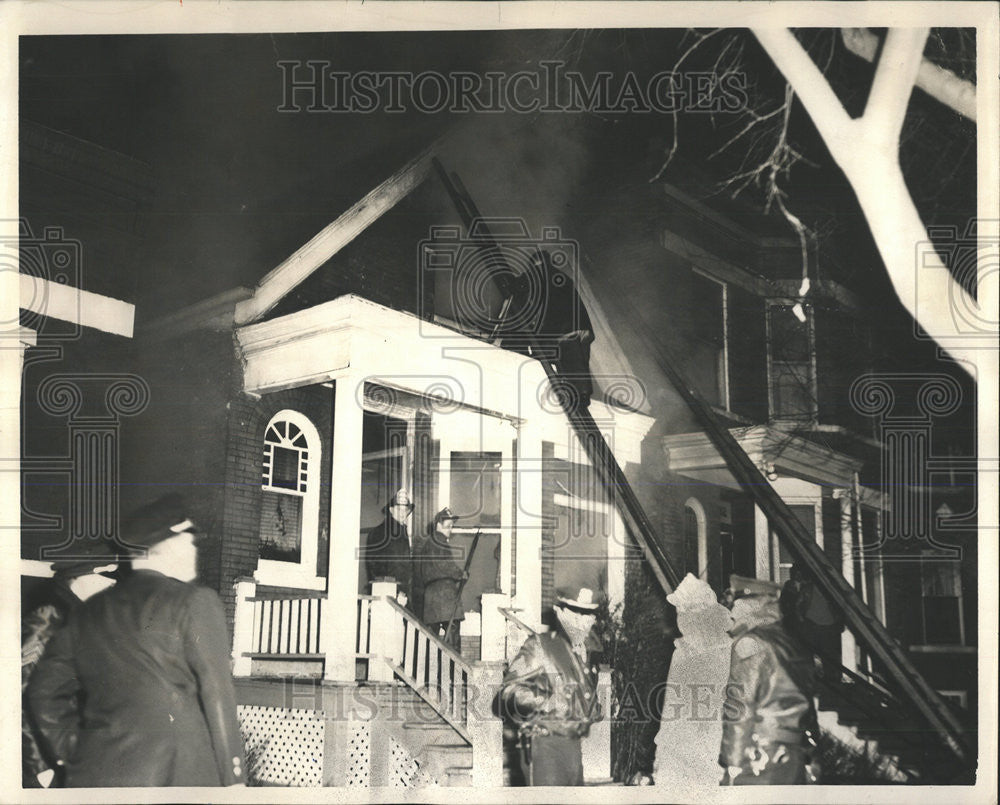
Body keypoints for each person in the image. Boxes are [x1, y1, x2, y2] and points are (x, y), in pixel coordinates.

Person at [28, 494, 245, 787]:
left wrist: (75, 751)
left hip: (94, 779)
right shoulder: (195, 602)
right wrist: (235, 782)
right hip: (176, 779)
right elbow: (217, 693)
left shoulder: (87, 612)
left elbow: (42, 692)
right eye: (190, 541)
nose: (194, 549)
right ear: (172, 546)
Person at [22, 546, 118, 788]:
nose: (112, 586)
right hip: (47, 763)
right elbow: (18, 694)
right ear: (79, 578)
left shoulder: (83, 619)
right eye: (105, 578)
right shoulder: (48, 616)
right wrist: (40, 768)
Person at [719, 575, 819, 786]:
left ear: (752, 606)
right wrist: (809, 755)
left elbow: (740, 707)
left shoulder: (750, 643)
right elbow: (809, 707)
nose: (730, 614)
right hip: (793, 755)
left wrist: (734, 764)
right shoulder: (792, 642)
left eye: (734, 606)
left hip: (758, 757)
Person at [498, 587, 603, 786]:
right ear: (560, 612)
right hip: (544, 747)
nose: (583, 621)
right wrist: (551, 703)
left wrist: (594, 709)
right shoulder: (538, 645)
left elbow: (580, 700)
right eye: (576, 613)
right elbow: (509, 690)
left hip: (573, 746)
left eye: (589, 614)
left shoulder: (582, 653)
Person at [652, 573, 734, 789]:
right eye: (679, 611)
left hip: (708, 750)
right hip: (681, 752)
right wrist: (662, 754)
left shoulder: (725, 652)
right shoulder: (683, 652)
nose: (681, 617)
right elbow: (671, 709)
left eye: (685, 610)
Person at [781, 562, 845, 679]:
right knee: (828, 657)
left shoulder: (806, 588)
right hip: (825, 626)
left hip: (812, 625)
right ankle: (830, 680)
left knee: (809, 654)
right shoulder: (829, 589)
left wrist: (801, 620)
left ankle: (817, 680)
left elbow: (796, 606)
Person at [414, 507, 467, 646]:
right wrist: (460, 574)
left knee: (431, 640)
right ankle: (453, 668)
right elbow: (444, 565)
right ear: (438, 525)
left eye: (451, 526)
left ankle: (431, 667)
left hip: (431, 597)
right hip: (445, 596)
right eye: (448, 526)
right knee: (452, 638)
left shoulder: (429, 543)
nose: (450, 529)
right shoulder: (440, 541)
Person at [365, 487, 415, 606]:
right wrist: (400, 590)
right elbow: (389, 565)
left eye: (405, 510)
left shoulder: (399, 531)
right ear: (391, 510)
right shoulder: (386, 532)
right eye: (399, 509)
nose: (403, 513)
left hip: (392, 592)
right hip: (390, 593)